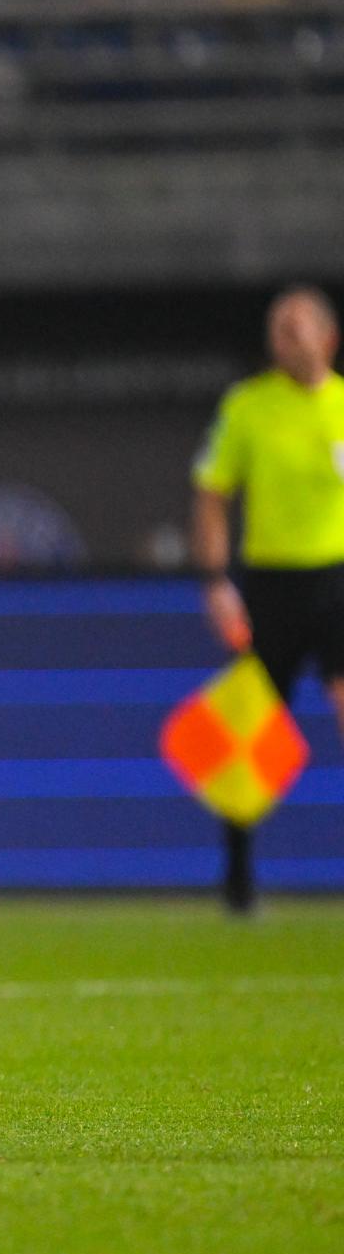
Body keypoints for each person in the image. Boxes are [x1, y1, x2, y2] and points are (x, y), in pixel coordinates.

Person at [191, 285, 344, 913]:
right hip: (270, 587)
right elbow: (211, 491)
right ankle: (238, 882)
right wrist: (216, 580)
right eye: (279, 328)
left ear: (329, 337)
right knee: (246, 737)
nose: (287, 336)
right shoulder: (249, 406)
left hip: (337, 579)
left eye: (299, 325)